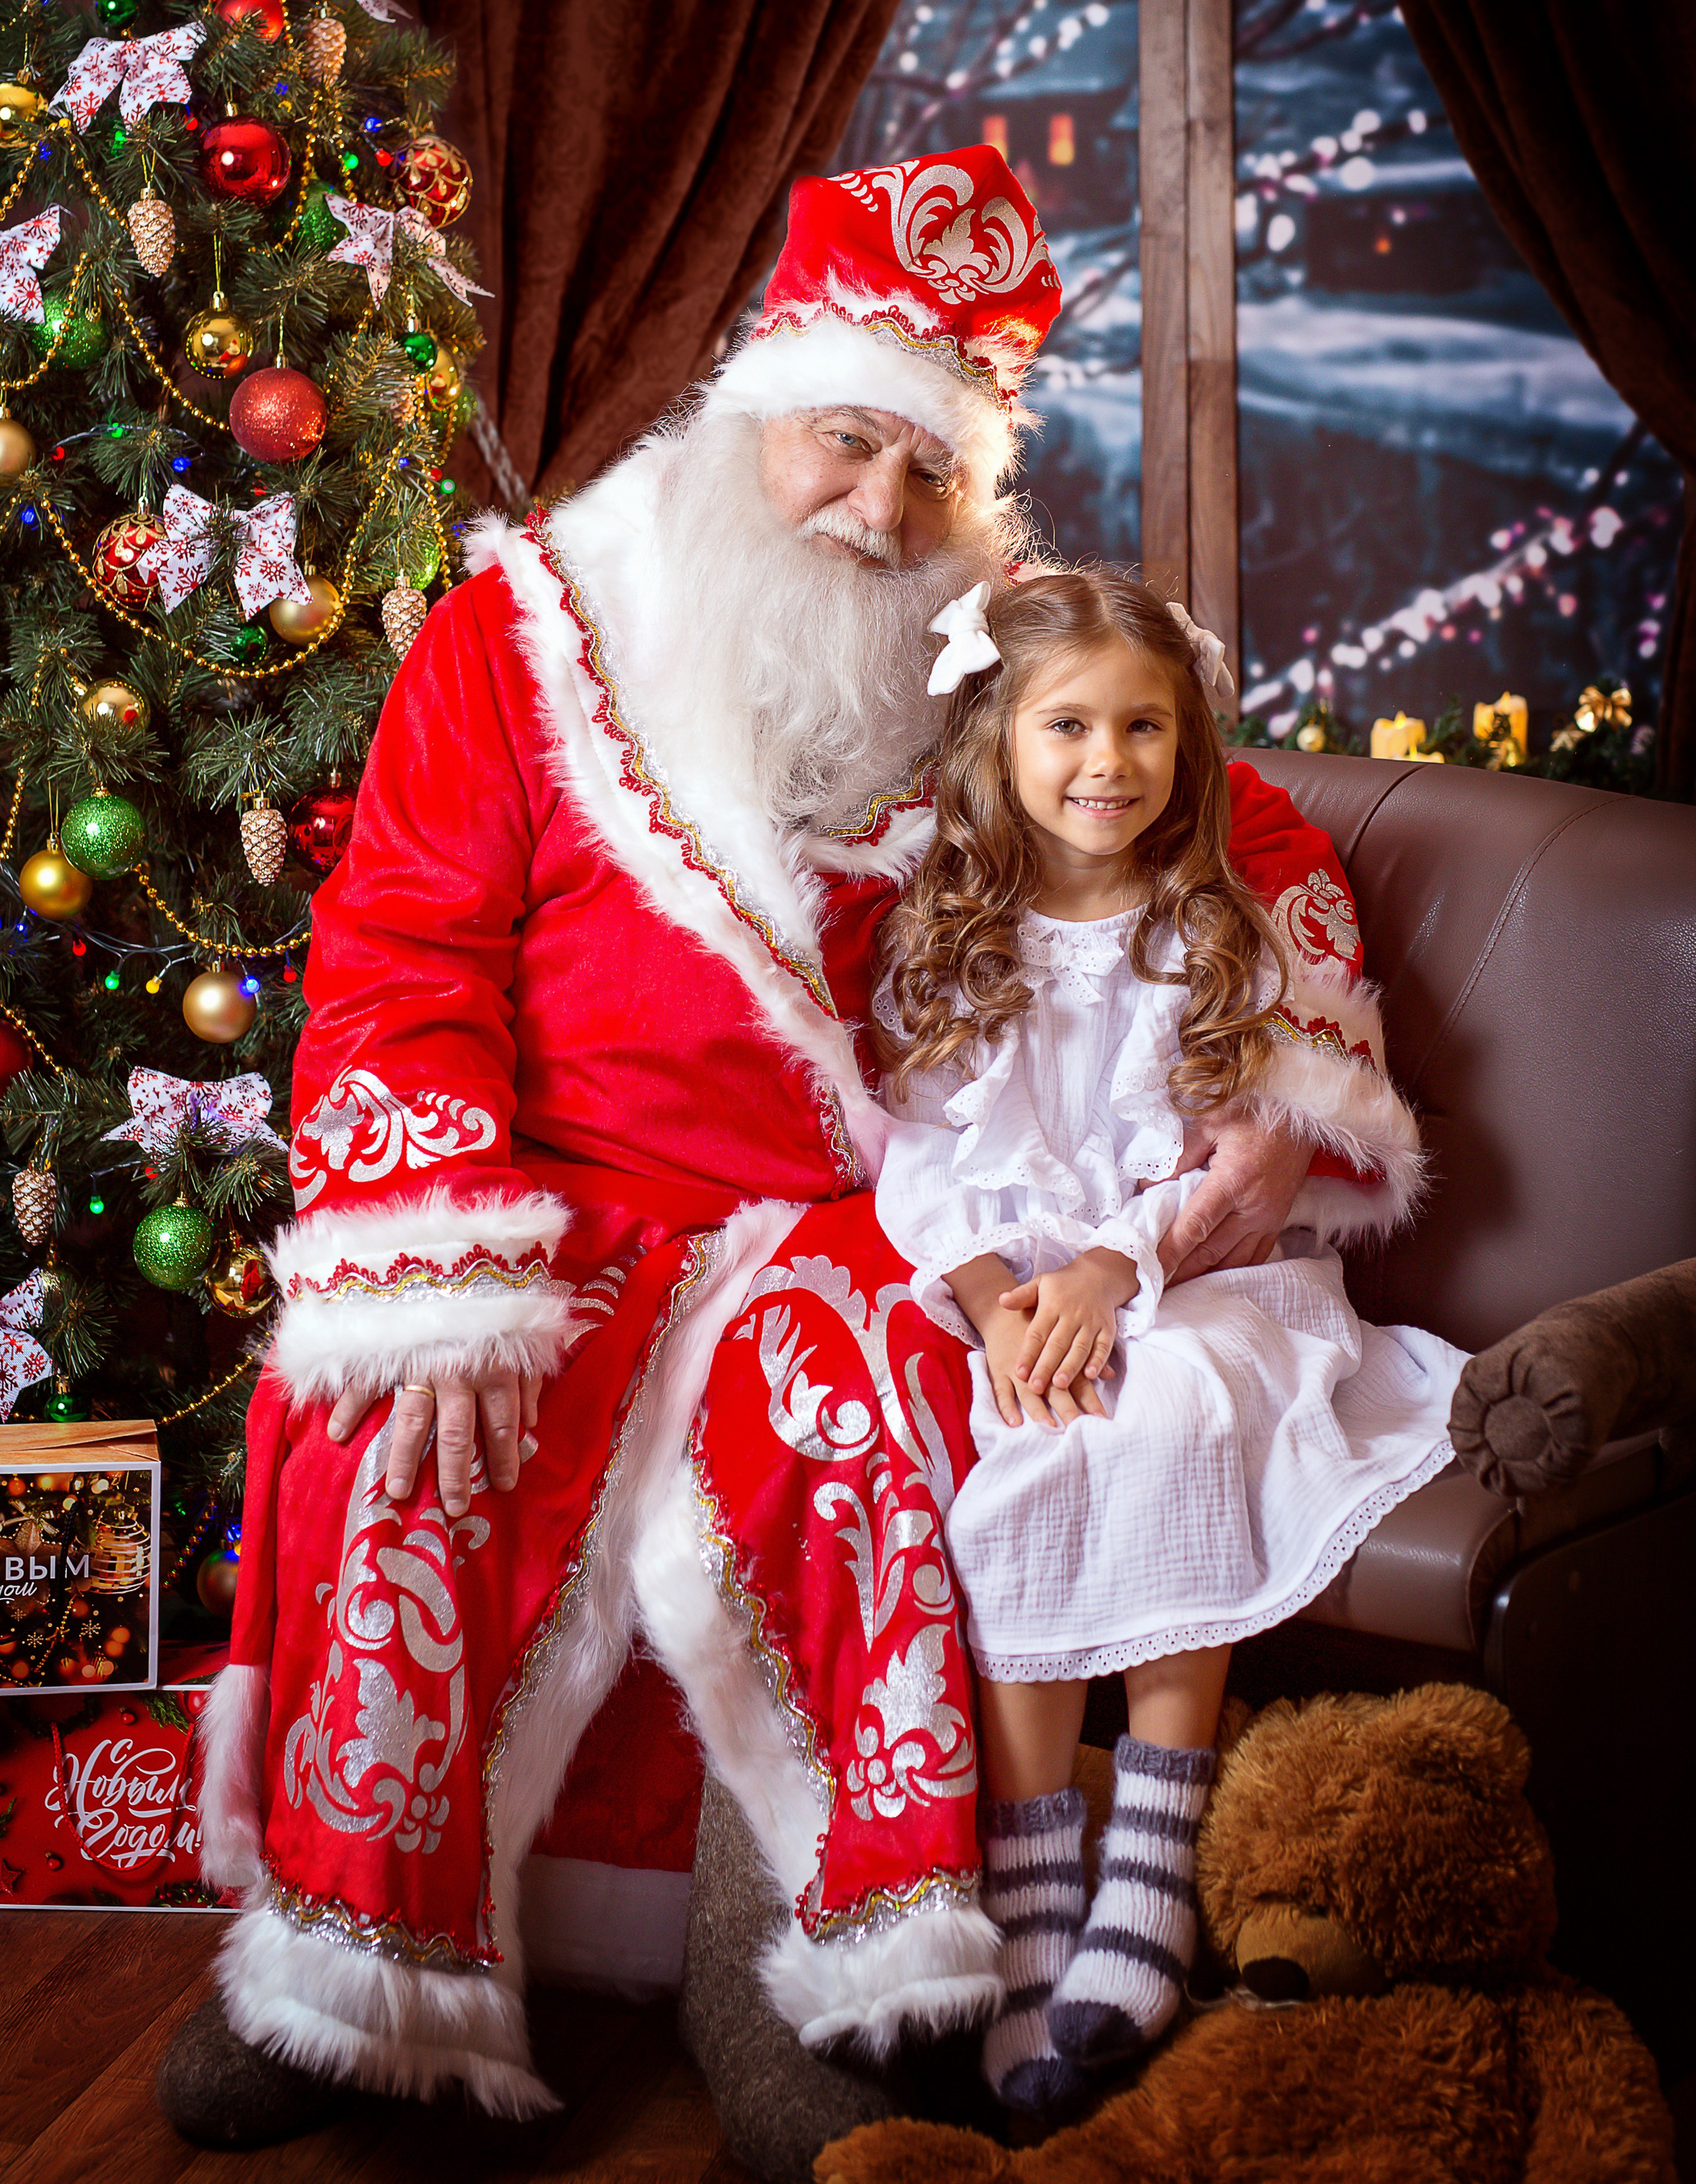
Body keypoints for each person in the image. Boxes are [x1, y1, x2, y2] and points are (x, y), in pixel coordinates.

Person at [165, 146, 1414, 2142]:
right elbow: (400, 954)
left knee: (852, 1418)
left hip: (868, 1206)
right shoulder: (530, 631)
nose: (879, 512)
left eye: (931, 473)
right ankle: (347, 1962)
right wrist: (437, 1267)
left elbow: (1248, 845)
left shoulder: (1005, 649)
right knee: (410, 1417)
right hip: (542, 1185)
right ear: (762, 403)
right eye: (847, 447)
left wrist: (1276, 1105)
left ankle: (816, 1988)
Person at [872, 567, 1463, 2110]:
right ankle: (1028, 1890)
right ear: (999, 740)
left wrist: (1112, 1273)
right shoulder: (959, 928)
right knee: (1019, 1455)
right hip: (1023, 1290)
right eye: (1067, 724)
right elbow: (921, 1151)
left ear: (1188, 747)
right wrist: (1000, 1287)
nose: (1106, 761)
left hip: (1201, 1287)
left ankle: (1151, 1845)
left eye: (1144, 727)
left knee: (1169, 1412)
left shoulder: (1217, 931)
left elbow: (1226, 1175)